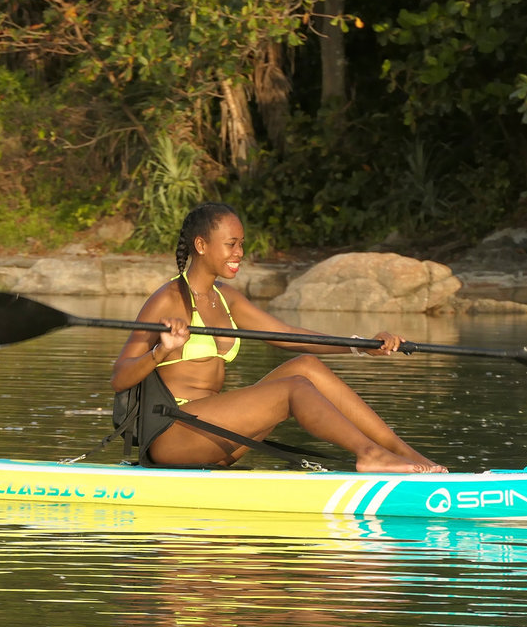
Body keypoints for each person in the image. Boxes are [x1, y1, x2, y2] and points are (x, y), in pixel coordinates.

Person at [110, 202, 447, 473]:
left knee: (306, 367)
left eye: (241, 243)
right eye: (231, 244)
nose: (239, 252)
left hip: (217, 435)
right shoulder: (168, 299)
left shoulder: (226, 298)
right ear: (201, 245)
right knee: (292, 388)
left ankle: (408, 456)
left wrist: (362, 347)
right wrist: (159, 351)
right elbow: (120, 376)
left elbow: (287, 335)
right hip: (175, 435)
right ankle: (369, 454)